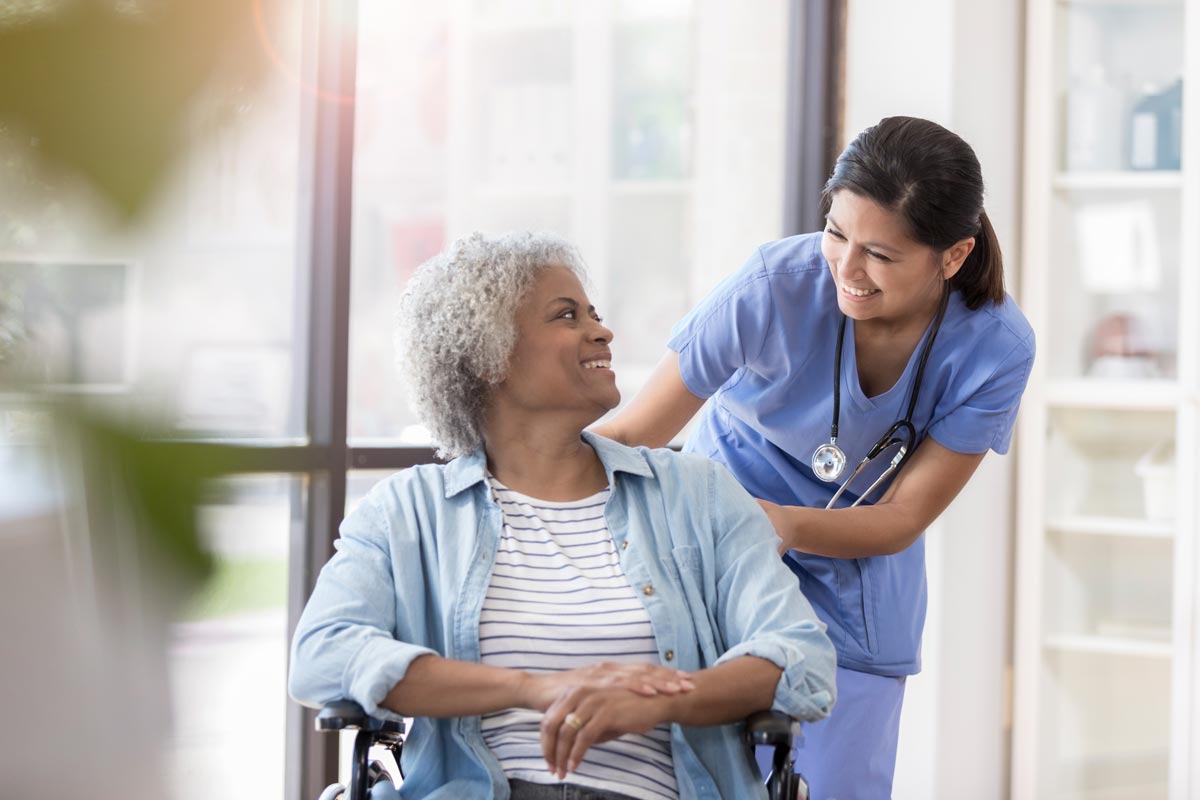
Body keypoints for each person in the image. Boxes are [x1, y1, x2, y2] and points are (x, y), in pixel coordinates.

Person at [288, 231, 837, 800]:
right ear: (490, 358)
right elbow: (323, 653)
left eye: (593, 313)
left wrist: (662, 699)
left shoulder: (697, 494)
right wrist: (535, 688)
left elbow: (802, 656)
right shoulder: (407, 512)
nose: (602, 330)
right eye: (566, 315)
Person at [593, 116, 1035, 799]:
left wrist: (777, 523)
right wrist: (503, 480)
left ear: (953, 256)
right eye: (836, 233)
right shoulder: (773, 283)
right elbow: (638, 430)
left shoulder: (995, 345)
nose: (847, 270)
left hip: (856, 581)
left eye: (881, 255)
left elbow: (903, 516)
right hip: (714, 562)